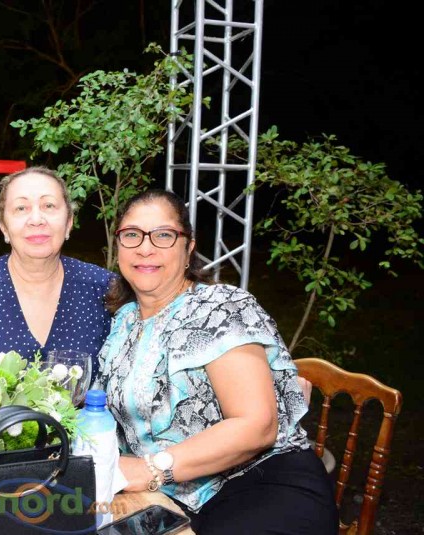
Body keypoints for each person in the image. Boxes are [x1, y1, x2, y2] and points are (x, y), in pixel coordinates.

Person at [95, 189, 338, 534]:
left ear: (188, 248)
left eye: (163, 235)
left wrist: (150, 468)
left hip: (258, 485)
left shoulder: (220, 307)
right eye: (132, 235)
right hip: (167, 500)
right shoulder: (122, 322)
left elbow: (256, 427)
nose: (145, 248)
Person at [0, 166, 114, 379]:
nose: (36, 219)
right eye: (21, 208)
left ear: (69, 222)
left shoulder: (105, 291)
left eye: (49, 205)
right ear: (4, 226)